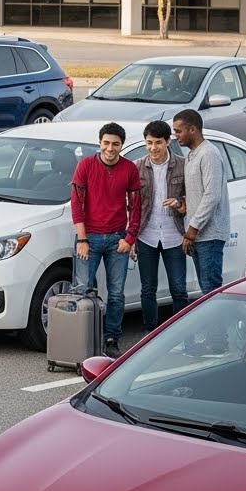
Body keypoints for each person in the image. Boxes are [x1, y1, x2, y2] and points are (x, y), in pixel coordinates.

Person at [70, 122, 142, 358]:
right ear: (99, 143)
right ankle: (80, 341)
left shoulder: (130, 169)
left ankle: (111, 338)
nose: (110, 148)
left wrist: (130, 238)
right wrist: (82, 239)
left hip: (117, 239)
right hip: (88, 238)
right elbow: (77, 206)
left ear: (122, 145)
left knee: (117, 293)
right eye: (106, 143)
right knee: (82, 290)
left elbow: (136, 206)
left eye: (115, 144)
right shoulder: (85, 165)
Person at [173, 108, 232, 354]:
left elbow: (212, 196)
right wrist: (186, 208)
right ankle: (213, 339)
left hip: (209, 234)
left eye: (179, 130)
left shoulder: (209, 154)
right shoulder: (191, 156)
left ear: (193, 129)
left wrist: (192, 229)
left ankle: (218, 342)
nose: (176, 135)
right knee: (205, 289)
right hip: (197, 233)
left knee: (211, 289)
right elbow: (198, 195)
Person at [133, 120, 189, 332]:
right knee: (148, 289)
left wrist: (180, 204)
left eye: (158, 142)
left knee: (179, 289)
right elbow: (132, 205)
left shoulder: (183, 165)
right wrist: (131, 237)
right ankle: (150, 334)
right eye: (149, 143)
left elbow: (191, 200)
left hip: (174, 234)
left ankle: (179, 335)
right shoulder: (138, 167)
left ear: (168, 141)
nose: (153, 148)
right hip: (146, 234)